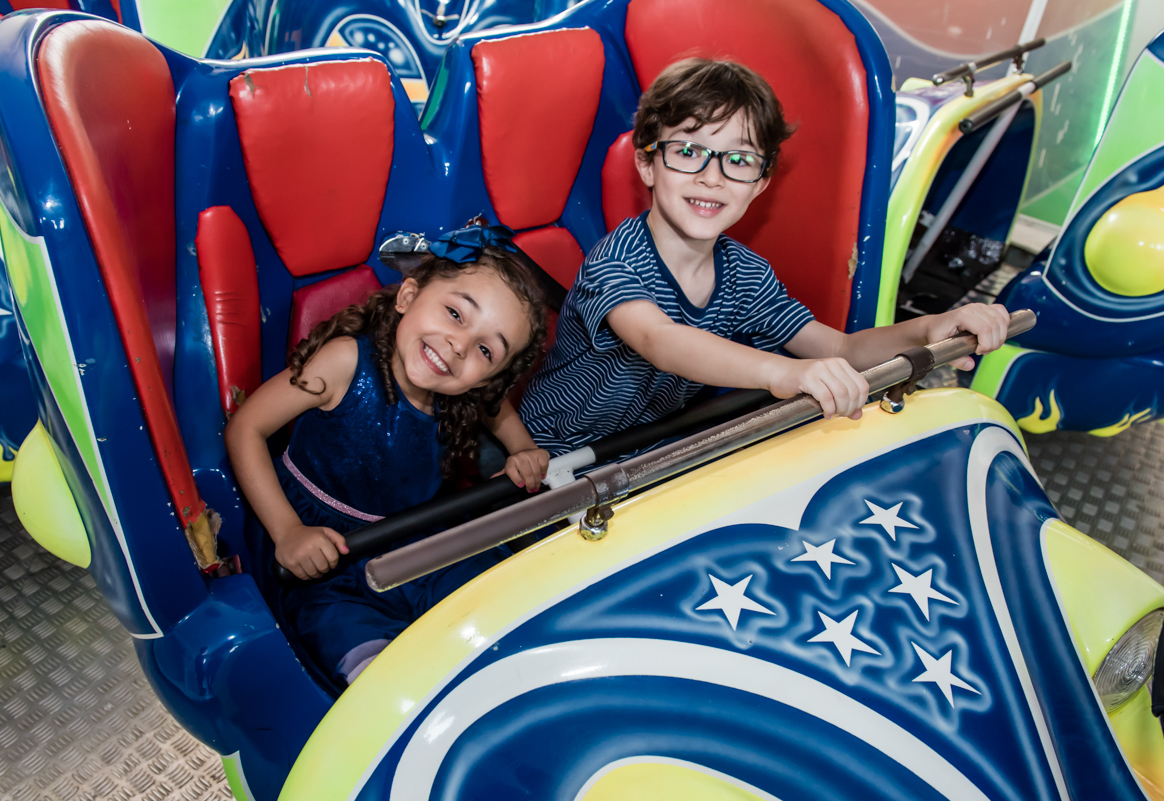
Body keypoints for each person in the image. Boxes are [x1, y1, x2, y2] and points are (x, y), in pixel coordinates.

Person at [519, 58, 1010, 456]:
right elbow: (659, 339)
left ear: (761, 182)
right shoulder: (617, 261)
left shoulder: (745, 276)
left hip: (643, 453)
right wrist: (785, 373)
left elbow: (838, 350)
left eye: (738, 160)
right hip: (552, 449)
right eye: (688, 151)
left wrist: (928, 328)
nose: (712, 177)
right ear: (647, 163)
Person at [226, 224, 549, 685]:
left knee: (496, 593)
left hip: (412, 537)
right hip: (325, 549)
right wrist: (288, 530)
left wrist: (522, 449)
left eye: (484, 349)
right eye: (456, 314)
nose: (459, 345)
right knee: (345, 636)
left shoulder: (461, 392)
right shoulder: (341, 364)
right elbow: (246, 428)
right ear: (408, 296)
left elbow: (496, 409)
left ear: (486, 377)